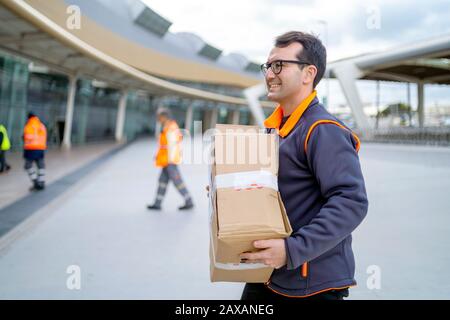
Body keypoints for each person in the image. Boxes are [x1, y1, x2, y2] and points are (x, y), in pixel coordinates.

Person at [239, 31, 369, 300]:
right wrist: (230, 191)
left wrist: (292, 249)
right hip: (269, 273)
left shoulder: (322, 130)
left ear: (308, 73)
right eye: (267, 66)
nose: (270, 74)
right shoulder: (275, 129)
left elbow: (351, 201)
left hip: (311, 283)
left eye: (279, 65)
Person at [147, 108, 194, 211]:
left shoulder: (171, 128)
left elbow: (172, 146)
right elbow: (165, 145)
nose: (158, 119)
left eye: (159, 117)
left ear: (164, 117)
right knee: (162, 181)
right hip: (167, 160)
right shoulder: (168, 127)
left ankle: (189, 201)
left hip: (170, 161)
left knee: (177, 181)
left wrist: (170, 161)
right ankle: (157, 203)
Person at [23, 112, 47, 191]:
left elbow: (27, 136)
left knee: (28, 165)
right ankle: (42, 181)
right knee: (41, 165)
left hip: (31, 148)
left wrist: (23, 137)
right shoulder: (41, 125)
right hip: (41, 148)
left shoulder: (30, 125)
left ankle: (36, 182)